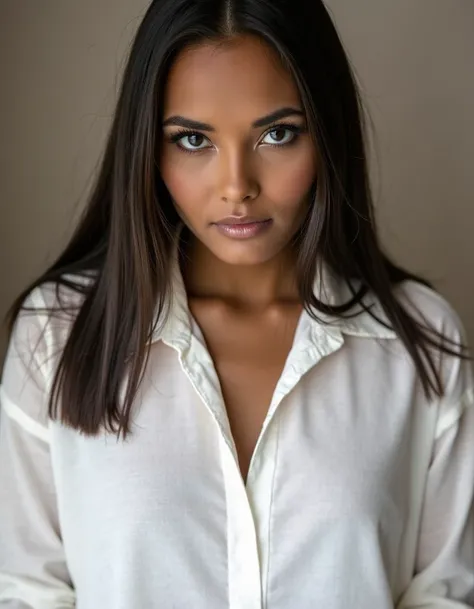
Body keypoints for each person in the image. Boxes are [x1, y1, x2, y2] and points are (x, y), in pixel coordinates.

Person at [1, 0, 473, 607]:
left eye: (278, 134)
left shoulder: (420, 345)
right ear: (149, 147)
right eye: (193, 139)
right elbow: (28, 592)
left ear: (327, 131)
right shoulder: (57, 335)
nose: (236, 186)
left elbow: (446, 595)